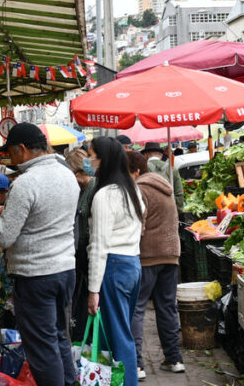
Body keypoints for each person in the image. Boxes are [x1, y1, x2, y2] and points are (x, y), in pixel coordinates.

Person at [0, 123, 79, 386]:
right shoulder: (68, 174)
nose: (9, 159)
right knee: (59, 338)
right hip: (65, 270)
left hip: (35, 276)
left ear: (21, 149)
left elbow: (3, 237)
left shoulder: (25, 183)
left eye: (10, 152)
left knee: (42, 349)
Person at [87, 137, 144, 386]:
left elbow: (99, 245)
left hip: (113, 266)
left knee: (119, 336)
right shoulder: (131, 190)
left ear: (104, 159)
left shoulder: (105, 195)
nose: (90, 161)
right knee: (121, 331)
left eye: (93, 156)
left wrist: (92, 290)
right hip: (132, 265)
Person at [126, 151, 184, 380]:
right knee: (167, 307)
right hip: (171, 255)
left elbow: (137, 225)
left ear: (137, 171)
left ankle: (137, 364)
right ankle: (175, 358)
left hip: (148, 255)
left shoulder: (140, 189)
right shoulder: (165, 186)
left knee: (137, 309)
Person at [65, 148, 97, 342]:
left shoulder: (94, 189)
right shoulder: (81, 190)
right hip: (82, 255)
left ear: (79, 172)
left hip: (90, 255)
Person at [141, 142, 184, 212]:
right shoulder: (172, 169)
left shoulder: (141, 169)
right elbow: (179, 194)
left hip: (150, 213)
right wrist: (178, 211)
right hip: (169, 210)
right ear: (161, 156)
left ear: (145, 155)